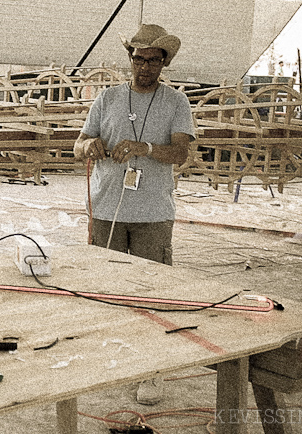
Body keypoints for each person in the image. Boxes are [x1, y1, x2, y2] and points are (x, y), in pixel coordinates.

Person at [73, 24, 195, 404]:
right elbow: (78, 145)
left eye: (153, 60)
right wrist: (89, 144)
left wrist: (144, 147)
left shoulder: (176, 102)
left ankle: (154, 369)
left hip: (153, 211)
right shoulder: (107, 99)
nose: (144, 66)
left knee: (153, 292)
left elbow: (180, 153)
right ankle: (106, 357)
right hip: (107, 206)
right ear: (130, 59)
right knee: (104, 287)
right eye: (138, 58)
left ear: (164, 63)